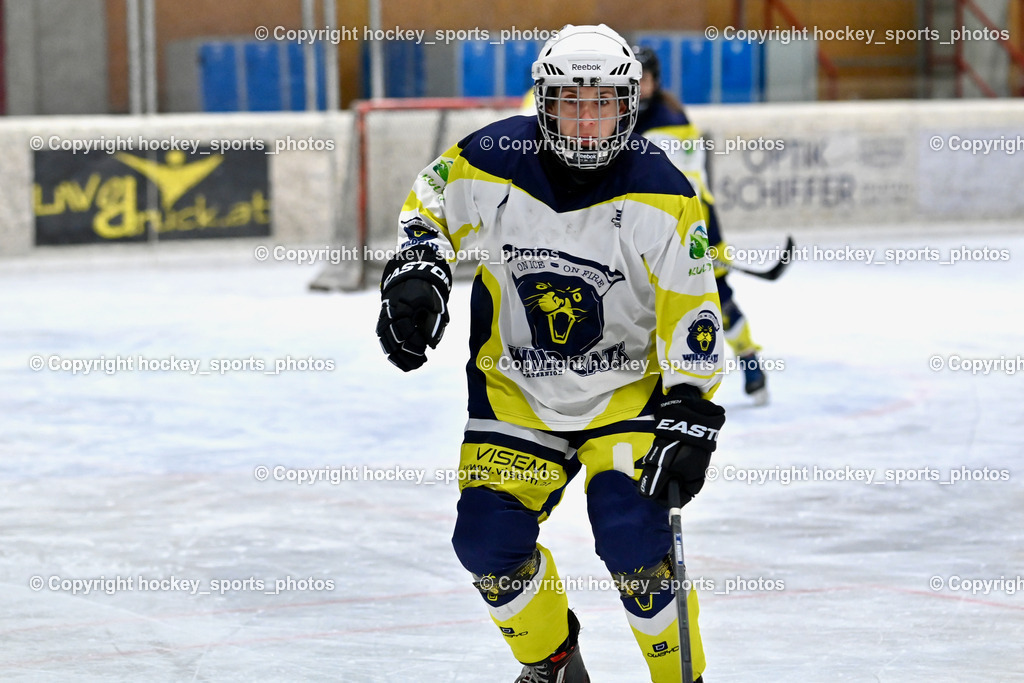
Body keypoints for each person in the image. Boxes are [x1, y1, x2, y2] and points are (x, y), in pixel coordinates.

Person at [376, 24, 724, 683]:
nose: (587, 121)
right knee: (486, 541)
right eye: (571, 102)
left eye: (603, 103)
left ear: (629, 105)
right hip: (516, 391)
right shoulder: (491, 158)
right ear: (543, 101)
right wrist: (420, 269)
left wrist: (690, 408)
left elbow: (692, 311)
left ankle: (682, 678)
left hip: (626, 396)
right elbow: (429, 206)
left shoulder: (664, 192)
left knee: (633, 541)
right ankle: (554, 663)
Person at [632, 46, 769, 405]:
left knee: (715, 296)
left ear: (656, 80)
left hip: (694, 223)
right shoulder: (622, 116)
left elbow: (687, 189)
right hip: (651, 227)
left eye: (644, 78)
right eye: (633, 78)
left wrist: (694, 241)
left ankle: (749, 359)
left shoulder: (670, 122)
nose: (638, 85)